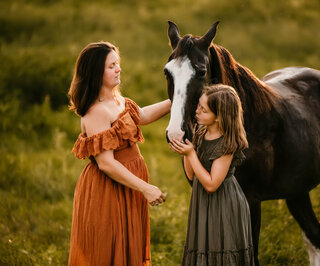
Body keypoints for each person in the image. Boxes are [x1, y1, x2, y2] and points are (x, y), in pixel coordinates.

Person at [68, 41, 170, 266]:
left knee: (128, 246)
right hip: (108, 189)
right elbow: (106, 164)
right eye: (111, 65)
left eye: (118, 63)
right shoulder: (96, 111)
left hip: (128, 184)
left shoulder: (117, 99)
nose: (118, 69)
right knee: (109, 250)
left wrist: (176, 101)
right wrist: (146, 188)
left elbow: (141, 115)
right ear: (96, 72)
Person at [169, 84, 255, 265]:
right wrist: (189, 144)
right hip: (202, 202)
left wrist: (191, 154)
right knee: (203, 247)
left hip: (223, 202)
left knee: (220, 248)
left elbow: (211, 184)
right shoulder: (201, 133)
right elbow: (192, 176)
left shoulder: (227, 144)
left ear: (218, 117)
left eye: (204, 110)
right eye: (198, 106)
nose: (197, 111)